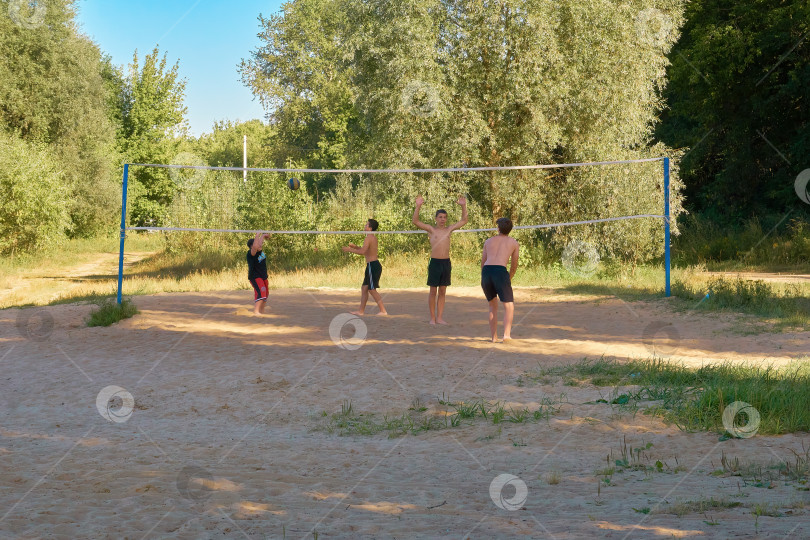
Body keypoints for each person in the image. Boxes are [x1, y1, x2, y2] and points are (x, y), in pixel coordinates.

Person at [412, 195, 468, 324]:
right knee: (433, 291)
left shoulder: (449, 229)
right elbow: (415, 221)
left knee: (442, 291)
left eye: (444, 217)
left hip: (446, 263)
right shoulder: (431, 230)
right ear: (436, 219)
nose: (443, 219)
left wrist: (463, 206)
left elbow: (464, 220)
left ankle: (440, 317)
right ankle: (432, 318)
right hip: (435, 263)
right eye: (440, 217)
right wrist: (418, 205)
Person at [481, 217, 520, 342]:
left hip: (487, 271)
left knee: (492, 306)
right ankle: (506, 335)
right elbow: (514, 264)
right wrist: (509, 277)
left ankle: (494, 337)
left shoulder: (488, 241)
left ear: (498, 228)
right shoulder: (513, 243)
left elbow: (483, 262)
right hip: (500, 271)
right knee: (509, 305)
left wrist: (485, 276)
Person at [342, 219, 388, 316]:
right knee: (364, 288)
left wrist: (349, 249)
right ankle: (361, 311)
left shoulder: (369, 238)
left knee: (371, 289)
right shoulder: (372, 238)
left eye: (367, 225)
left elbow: (363, 252)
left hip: (373, 266)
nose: (365, 226)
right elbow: (366, 252)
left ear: (370, 228)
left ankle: (383, 311)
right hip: (371, 265)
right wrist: (355, 247)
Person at [247, 232, 271, 315]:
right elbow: (255, 246)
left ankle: (261, 311)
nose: (259, 244)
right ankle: (256, 311)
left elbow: (259, 245)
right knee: (261, 292)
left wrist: (263, 236)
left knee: (266, 293)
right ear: (252, 246)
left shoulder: (260, 252)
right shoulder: (251, 253)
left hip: (263, 276)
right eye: (256, 243)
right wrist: (257, 234)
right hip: (255, 276)